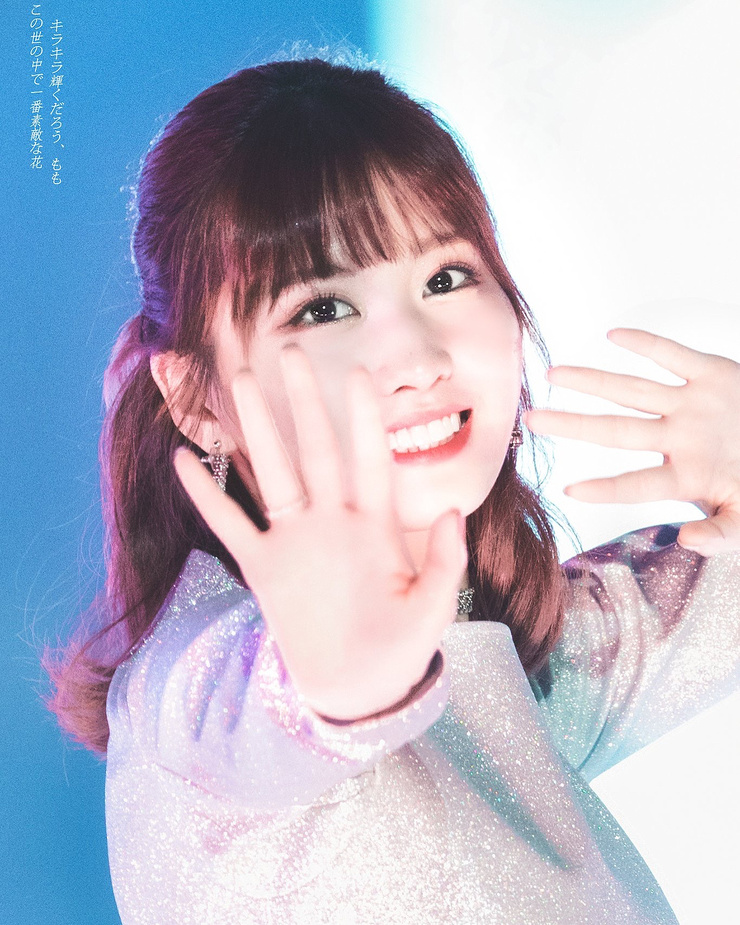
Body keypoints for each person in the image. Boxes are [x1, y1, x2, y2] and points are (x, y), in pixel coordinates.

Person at [46, 57, 740, 924]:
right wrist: (333, 691)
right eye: (321, 308)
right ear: (196, 400)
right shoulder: (191, 697)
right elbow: (256, 712)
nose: (417, 357)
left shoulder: (503, 655)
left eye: (445, 279)